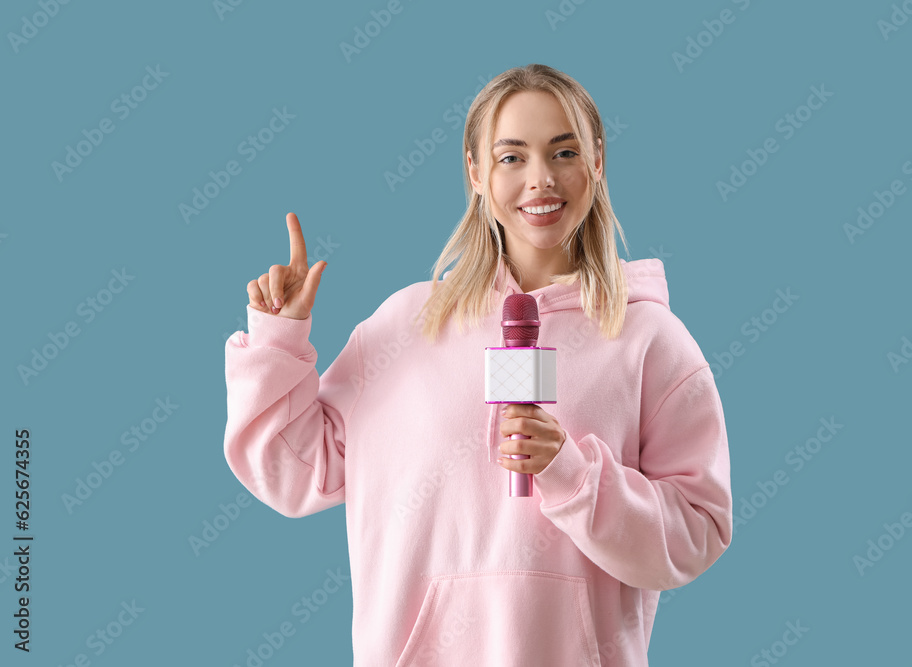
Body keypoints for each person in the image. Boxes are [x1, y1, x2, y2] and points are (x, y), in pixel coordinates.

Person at [224, 63, 733, 666]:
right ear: (476, 173)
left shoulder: (651, 341)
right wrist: (279, 340)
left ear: (596, 162)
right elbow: (293, 473)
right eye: (512, 157)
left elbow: (695, 534)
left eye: (563, 151)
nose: (541, 179)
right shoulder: (405, 325)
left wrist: (569, 472)